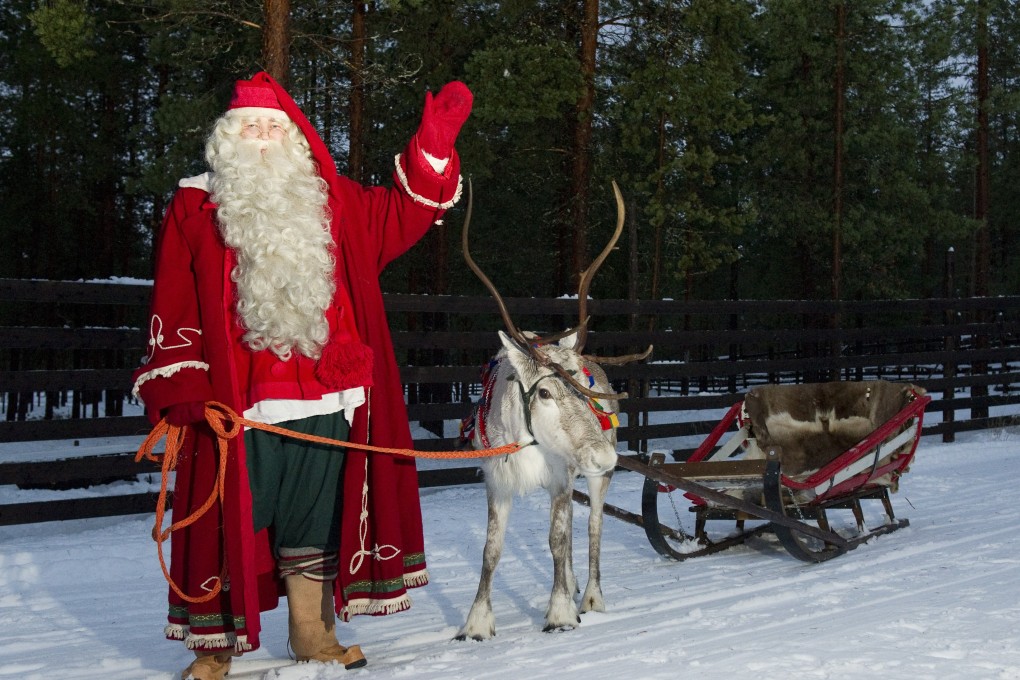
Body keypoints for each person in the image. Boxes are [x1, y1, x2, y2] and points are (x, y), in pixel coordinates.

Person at [131, 71, 472, 680]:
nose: (262, 139)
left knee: (315, 518)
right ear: (227, 140)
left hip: (327, 394)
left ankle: (313, 633)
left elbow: (403, 214)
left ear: (294, 139)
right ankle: (216, 648)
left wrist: (434, 148)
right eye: (249, 128)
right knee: (228, 516)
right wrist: (182, 388)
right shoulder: (195, 205)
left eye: (273, 128)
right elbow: (173, 300)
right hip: (237, 402)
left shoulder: (333, 201)